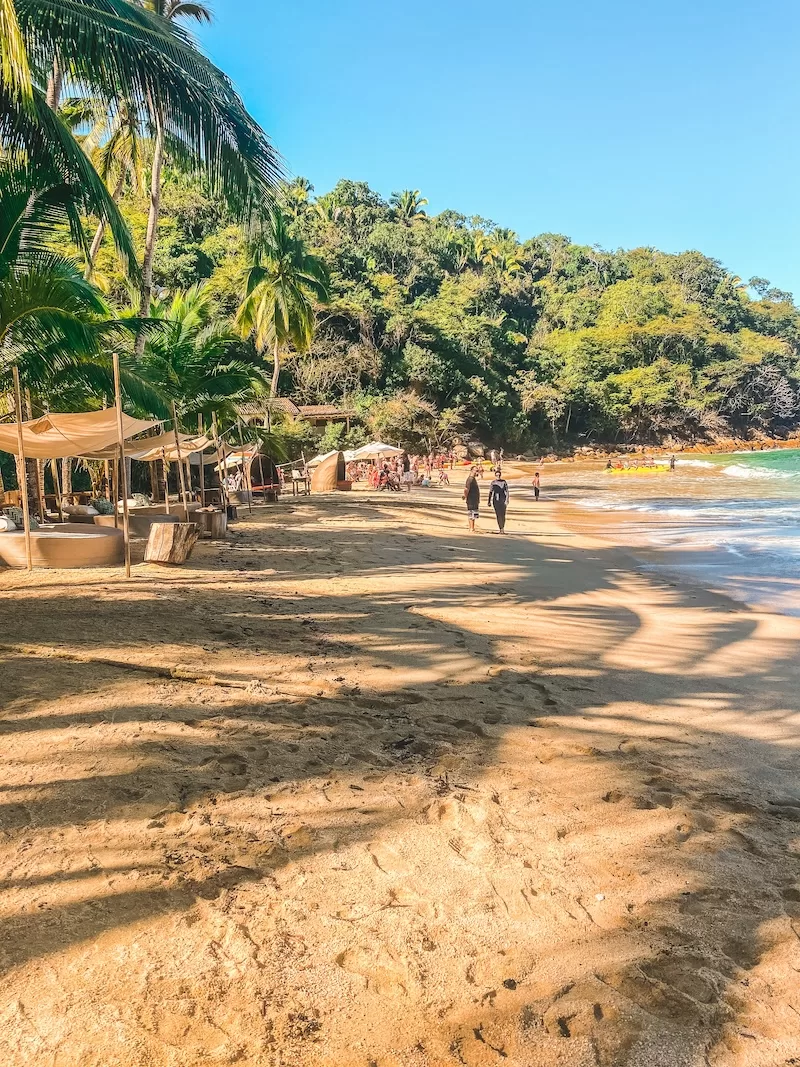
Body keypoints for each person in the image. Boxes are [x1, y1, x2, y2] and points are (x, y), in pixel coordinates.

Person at [488, 468, 509, 533]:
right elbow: (490, 492)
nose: (498, 476)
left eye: (499, 475)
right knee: (498, 515)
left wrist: (507, 500)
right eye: (497, 475)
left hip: (503, 500)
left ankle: (502, 528)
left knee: (503, 514)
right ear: (495, 475)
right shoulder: (493, 483)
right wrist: (488, 501)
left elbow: (507, 491)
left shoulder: (504, 482)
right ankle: (500, 528)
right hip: (495, 500)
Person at [464, 466, 480, 532]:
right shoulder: (470, 479)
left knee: (474, 513)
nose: (477, 472)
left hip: (474, 499)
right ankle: (471, 528)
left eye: (477, 471)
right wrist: (465, 496)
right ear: (472, 471)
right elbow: (466, 489)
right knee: (471, 513)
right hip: (471, 499)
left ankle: (472, 527)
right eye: (476, 471)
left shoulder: (473, 479)